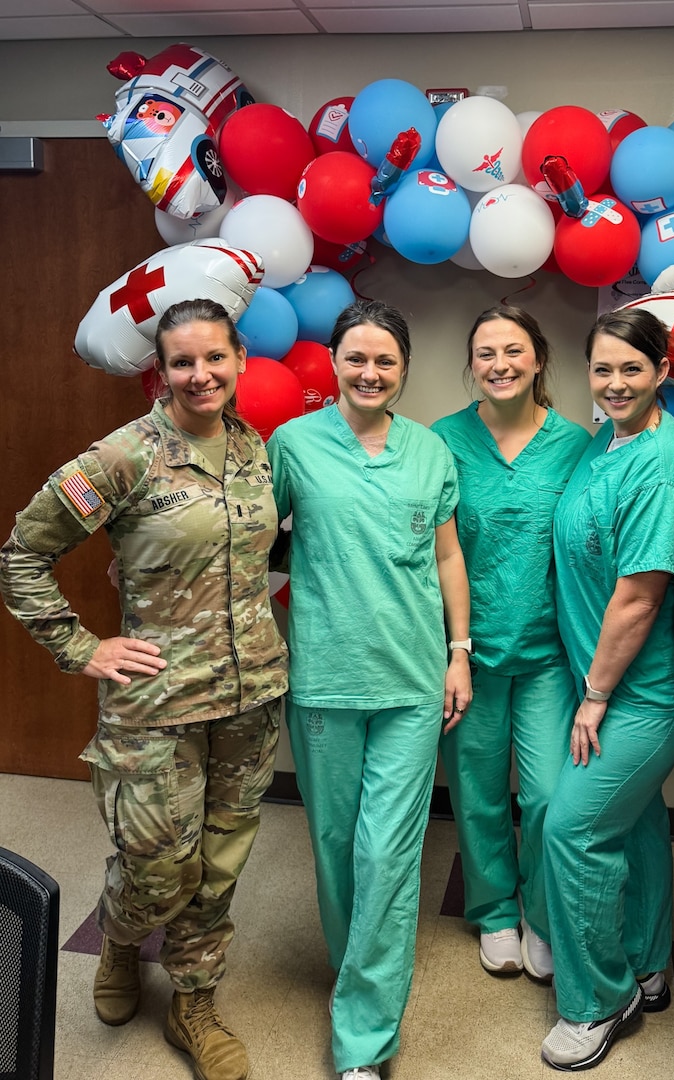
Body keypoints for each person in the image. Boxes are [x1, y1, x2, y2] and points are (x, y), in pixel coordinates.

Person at [0, 298, 289, 1080]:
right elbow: (21, 557)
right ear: (159, 372)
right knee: (159, 865)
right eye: (182, 362)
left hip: (250, 697)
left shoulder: (254, 450)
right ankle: (124, 940)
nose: (201, 375)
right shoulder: (122, 458)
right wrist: (80, 647)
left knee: (219, 864)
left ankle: (193, 1001)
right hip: (153, 706)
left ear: (239, 359)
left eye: (214, 358)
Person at [267, 299, 472, 1080]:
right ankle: (360, 971)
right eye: (357, 357)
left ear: (405, 369)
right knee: (335, 848)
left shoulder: (430, 452)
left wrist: (460, 653)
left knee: (389, 855)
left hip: (414, 682)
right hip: (324, 678)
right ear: (333, 362)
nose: (370, 372)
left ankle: (363, 1035)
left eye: (386, 360)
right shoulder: (293, 445)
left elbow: (448, 558)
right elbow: (256, 545)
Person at [541, 308, 674, 1071]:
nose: (614, 383)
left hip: (644, 691)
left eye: (631, 369)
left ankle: (598, 1001)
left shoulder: (660, 463)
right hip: (603, 676)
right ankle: (646, 964)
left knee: (573, 830)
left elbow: (639, 596)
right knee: (633, 821)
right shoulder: (609, 440)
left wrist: (597, 694)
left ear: (662, 372)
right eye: (602, 369)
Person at [432, 305, 592, 981]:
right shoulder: (442, 440)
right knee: (477, 790)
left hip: (549, 653)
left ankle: (543, 917)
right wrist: (455, 650)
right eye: (486, 353)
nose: (499, 364)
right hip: (469, 651)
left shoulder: (576, 444)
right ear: (472, 366)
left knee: (551, 797)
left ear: (538, 360)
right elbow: (435, 549)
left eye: (513, 350)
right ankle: (495, 910)